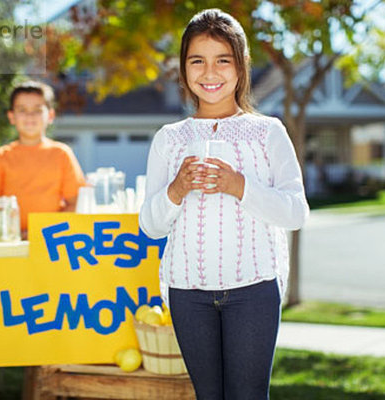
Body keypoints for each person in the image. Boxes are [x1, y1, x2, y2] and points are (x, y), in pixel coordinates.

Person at [139, 9, 309, 400]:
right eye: (197, 60)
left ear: (241, 65)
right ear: (183, 70)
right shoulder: (169, 139)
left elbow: (296, 212)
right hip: (187, 292)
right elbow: (150, 226)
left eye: (223, 60)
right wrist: (176, 190)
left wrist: (238, 185)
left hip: (253, 289)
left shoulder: (268, 132)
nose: (209, 72)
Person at [0, 80, 85, 237]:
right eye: (22, 110)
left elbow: (75, 203)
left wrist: (42, 233)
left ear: (50, 115)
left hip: (53, 242)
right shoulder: (1, 156)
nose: (30, 116)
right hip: (11, 242)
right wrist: (13, 231)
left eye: (37, 110)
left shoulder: (61, 154)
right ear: (11, 116)